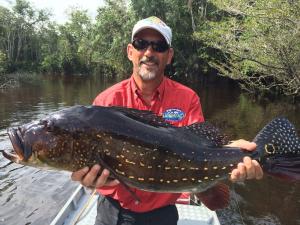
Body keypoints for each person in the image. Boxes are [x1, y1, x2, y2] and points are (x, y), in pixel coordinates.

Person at [71, 16, 263, 225]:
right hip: (112, 214)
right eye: (141, 44)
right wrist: (91, 182)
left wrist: (234, 151)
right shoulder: (106, 101)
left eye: (159, 46)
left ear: (169, 55)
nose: (149, 52)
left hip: (163, 216)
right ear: (130, 51)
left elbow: (202, 150)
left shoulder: (187, 98)